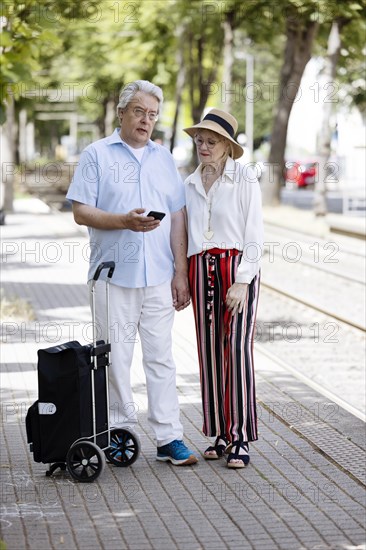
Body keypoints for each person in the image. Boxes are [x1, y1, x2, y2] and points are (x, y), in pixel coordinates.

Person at [66, 80, 197, 466]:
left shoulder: (163, 158)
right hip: (113, 276)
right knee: (116, 359)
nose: (146, 120)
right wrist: (123, 221)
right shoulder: (96, 155)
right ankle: (119, 433)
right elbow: (81, 211)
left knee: (162, 358)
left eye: (152, 114)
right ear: (121, 113)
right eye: (139, 111)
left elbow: (177, 216)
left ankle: (169, 438)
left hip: (158, 276)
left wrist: (181, 272)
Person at [183, 109, 263, 468]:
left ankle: (240, 436)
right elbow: (186, 235)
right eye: (200, 139)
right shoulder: (189, 183)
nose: (203, 145)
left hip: (236, 268)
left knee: (237, 350)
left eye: (211, 140)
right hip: (201, 267)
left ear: (227, 145)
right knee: (209, 351)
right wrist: (183, 276)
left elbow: (255, 234)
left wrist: (243, 280)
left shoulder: (245, 178)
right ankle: (218, 431)